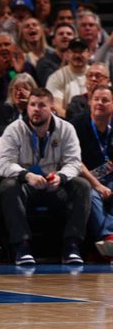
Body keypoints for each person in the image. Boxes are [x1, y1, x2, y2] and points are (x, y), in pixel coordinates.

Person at [0, 88, 90, 265]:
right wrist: (26, 176)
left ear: (52, 108)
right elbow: (3, 165)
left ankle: (72, 245)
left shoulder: (66, 129)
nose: (36, 109)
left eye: (41, 105)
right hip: (27, 186)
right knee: (8, 185)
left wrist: (60, 178)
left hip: (54, 185)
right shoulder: (13, 130)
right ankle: (21, 246)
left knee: (82, 185)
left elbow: (74, 163)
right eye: (32, 105)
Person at [72, 85, 113, 259]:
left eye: (105, 100)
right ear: (89, 102)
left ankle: (108, 240)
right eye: (96, 99)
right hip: (86, 178)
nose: (100, 103)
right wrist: (97, 184)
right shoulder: (77, 124)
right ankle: (108, 237)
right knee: (91, 194)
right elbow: (74, 160)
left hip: (110, 177)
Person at [45, 38, 89, 118]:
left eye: (81, 51)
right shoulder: (57, 77)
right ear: (67, 55)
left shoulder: (96, 74)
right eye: (74, 51)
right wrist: (77, 121)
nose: (78, 55)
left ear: (89, 54)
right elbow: (56, 107)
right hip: (67, 122)